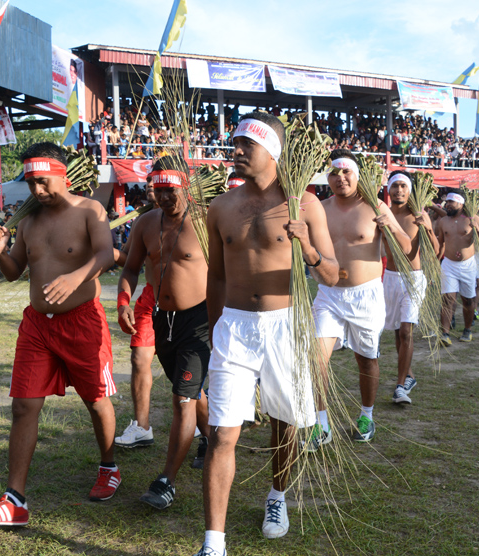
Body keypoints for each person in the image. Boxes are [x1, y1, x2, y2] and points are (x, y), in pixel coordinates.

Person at [197, 112, 339, 555]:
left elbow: (334, 274)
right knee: (222, 432)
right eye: (234, 142)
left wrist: (309, 248)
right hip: (234, 328)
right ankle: (213, 543)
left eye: (245, 145)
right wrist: (216, 326)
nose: (234, 151)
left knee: (286, 424)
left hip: (286, 325)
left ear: (271, 153)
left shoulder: (305, 205)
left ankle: (277, 497)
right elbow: (216, 278)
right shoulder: (221, 206)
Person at [0, 142, 117, 527]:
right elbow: (15, 270)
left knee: (96, 400)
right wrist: (0, 250)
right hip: (37, 325)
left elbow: (105, 253)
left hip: (82, 322)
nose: (37, 191)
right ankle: (14, 500)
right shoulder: (28, 221)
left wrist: (76, 276)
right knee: (23, 406)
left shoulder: (90, 210)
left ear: (63, 176)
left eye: (43, 182)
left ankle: (109, 465)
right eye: (31, 183)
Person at [117, 156, 211, 510]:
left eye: (170, 190)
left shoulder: (204, 222)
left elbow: (223, 273)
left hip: (198, 321)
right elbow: (129, 268)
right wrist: (124, 302)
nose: (165, 197)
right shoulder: (145, 223)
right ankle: (213, 439)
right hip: (162, 319)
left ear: (185, 185)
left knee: (181, 398)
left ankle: (166, 481)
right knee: (190, 389)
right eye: (158, 191)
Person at [310, 153, 411, 450]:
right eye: (333, 172)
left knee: (366, 359)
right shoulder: (319, 209)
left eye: (346, 171)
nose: (340, 177)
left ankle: (367, 415)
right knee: (316, 359)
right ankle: (321, 423)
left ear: (357, 175)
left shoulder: (376, 206)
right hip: (328, 294)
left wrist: (389, 226)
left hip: (365, 295)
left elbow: (406, 247)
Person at [383, 171, 438, 405]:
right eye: (395, 186)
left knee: (406, 331)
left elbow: (435, 251)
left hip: (414, 279)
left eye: (403, 187)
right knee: (397, 331)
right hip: (390, 277)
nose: (399, 191)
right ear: (388, 189)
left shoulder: (418, 215)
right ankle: (409, 376)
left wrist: (427, 228)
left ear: (410, 190)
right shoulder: (382, 214)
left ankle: (400, 387)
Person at [114, 180, 158, 449]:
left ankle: (204, 430)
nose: (151, 185)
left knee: (185, 373)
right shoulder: (144, 221)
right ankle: (142, 427)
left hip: (188, 304)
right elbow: (129, 260)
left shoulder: (198, 218)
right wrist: (102, 250)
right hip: (150, 300)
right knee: (139, 359)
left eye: (158, 181)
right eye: (149, 181)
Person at [436, 192, 479, 346]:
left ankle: (467, 330)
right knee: (447, 299)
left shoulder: (473, 218)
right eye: (447, 202)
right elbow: (441, 243)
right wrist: (436, 259)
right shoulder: (443, 221)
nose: (447, 205)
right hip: (448, 264)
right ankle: (445, 333)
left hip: (468, 265)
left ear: (460, 204)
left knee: (468, 300)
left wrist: (478, 229)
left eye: (451, 203)